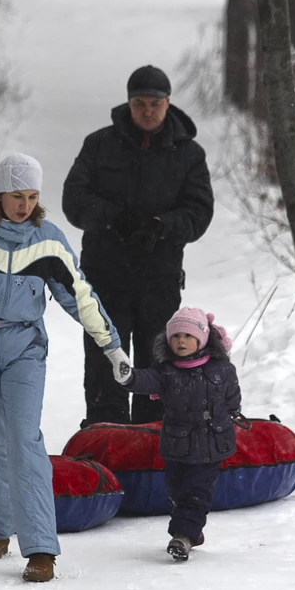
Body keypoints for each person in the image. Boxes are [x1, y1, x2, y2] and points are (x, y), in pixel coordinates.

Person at [0, 153, 131, 583]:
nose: (24, 204)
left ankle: (40, 548)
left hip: (24, 346)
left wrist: (112, 346)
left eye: (32, 196)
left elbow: (80, 297)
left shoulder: (49, 241)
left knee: (24, 439)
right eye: (17, 196)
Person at [62, 65, 215, 427]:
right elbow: (74, 201)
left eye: (155, 103)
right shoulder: (98, 145)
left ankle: (154, 435)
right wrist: (116, 218)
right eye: (139, 103)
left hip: (158, 278)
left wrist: (162, 226)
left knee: (158, 359)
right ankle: (105, 433)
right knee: (105, 357)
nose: (147, 111)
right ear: (128, 102)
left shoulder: (189, 154)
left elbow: (199, 211)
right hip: (104, 277)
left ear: (168, 103)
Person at [117, 307, 241, 562]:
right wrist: (128, 377)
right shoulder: (166, 372)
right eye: (176, 337)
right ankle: (192, 529)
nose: (181, 341)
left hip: (210, 445)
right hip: (178, 445)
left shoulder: (222, 369)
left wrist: (231, 415)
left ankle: (183, 537)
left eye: (187, 335)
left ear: (202, 339)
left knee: (197, 493)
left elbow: (232, 397)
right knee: (176, 490)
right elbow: (145, 380)